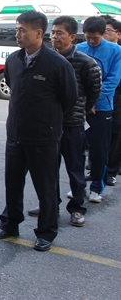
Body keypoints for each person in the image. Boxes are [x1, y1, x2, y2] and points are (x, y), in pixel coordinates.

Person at [0, 10, 77, 252]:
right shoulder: (14, 60)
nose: (17, 35)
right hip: (16, 134)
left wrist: (48, 120)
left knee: (45, 187)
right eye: (16, 30)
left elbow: (69, 98)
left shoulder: (57, 63)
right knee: (13, 183)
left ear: (39, 33)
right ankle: (10, 224)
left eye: (22, 30)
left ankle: (46, 232)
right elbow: (13, 86)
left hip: (43, 137)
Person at [27, 16, 100, 227]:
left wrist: (81, 110)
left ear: (72, 37)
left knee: (75, 169)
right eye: (53, 32)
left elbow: (94, 91)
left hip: (72, 125)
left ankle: (77, 208)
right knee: (48, 170)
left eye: (60, 33)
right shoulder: (45, 59)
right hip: (49, 125)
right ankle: (50, 206)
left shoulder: (85, 62)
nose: (55, 37)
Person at [76, 15, 121, 203]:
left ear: (103, 33)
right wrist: (86, 103)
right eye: (88, 37)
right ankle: (78, 187)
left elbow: (112, 81)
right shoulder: (78, 49)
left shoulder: (116, 51)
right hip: (81, 109)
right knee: (76, 150)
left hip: (102, 108)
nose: (91, 41)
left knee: (99, 150)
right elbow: (76, 79)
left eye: (95, 38)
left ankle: (96, 187)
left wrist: (93, 100)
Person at [101, 15, 121, 187]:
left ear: (118, 34)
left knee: (115, 135)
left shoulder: (118, 52)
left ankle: (111, 172)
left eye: (108, 30)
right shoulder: (90, 49)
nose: (104, 34)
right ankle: (96, 169)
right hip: (98, 100)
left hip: (116, 99)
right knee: (97, 136)